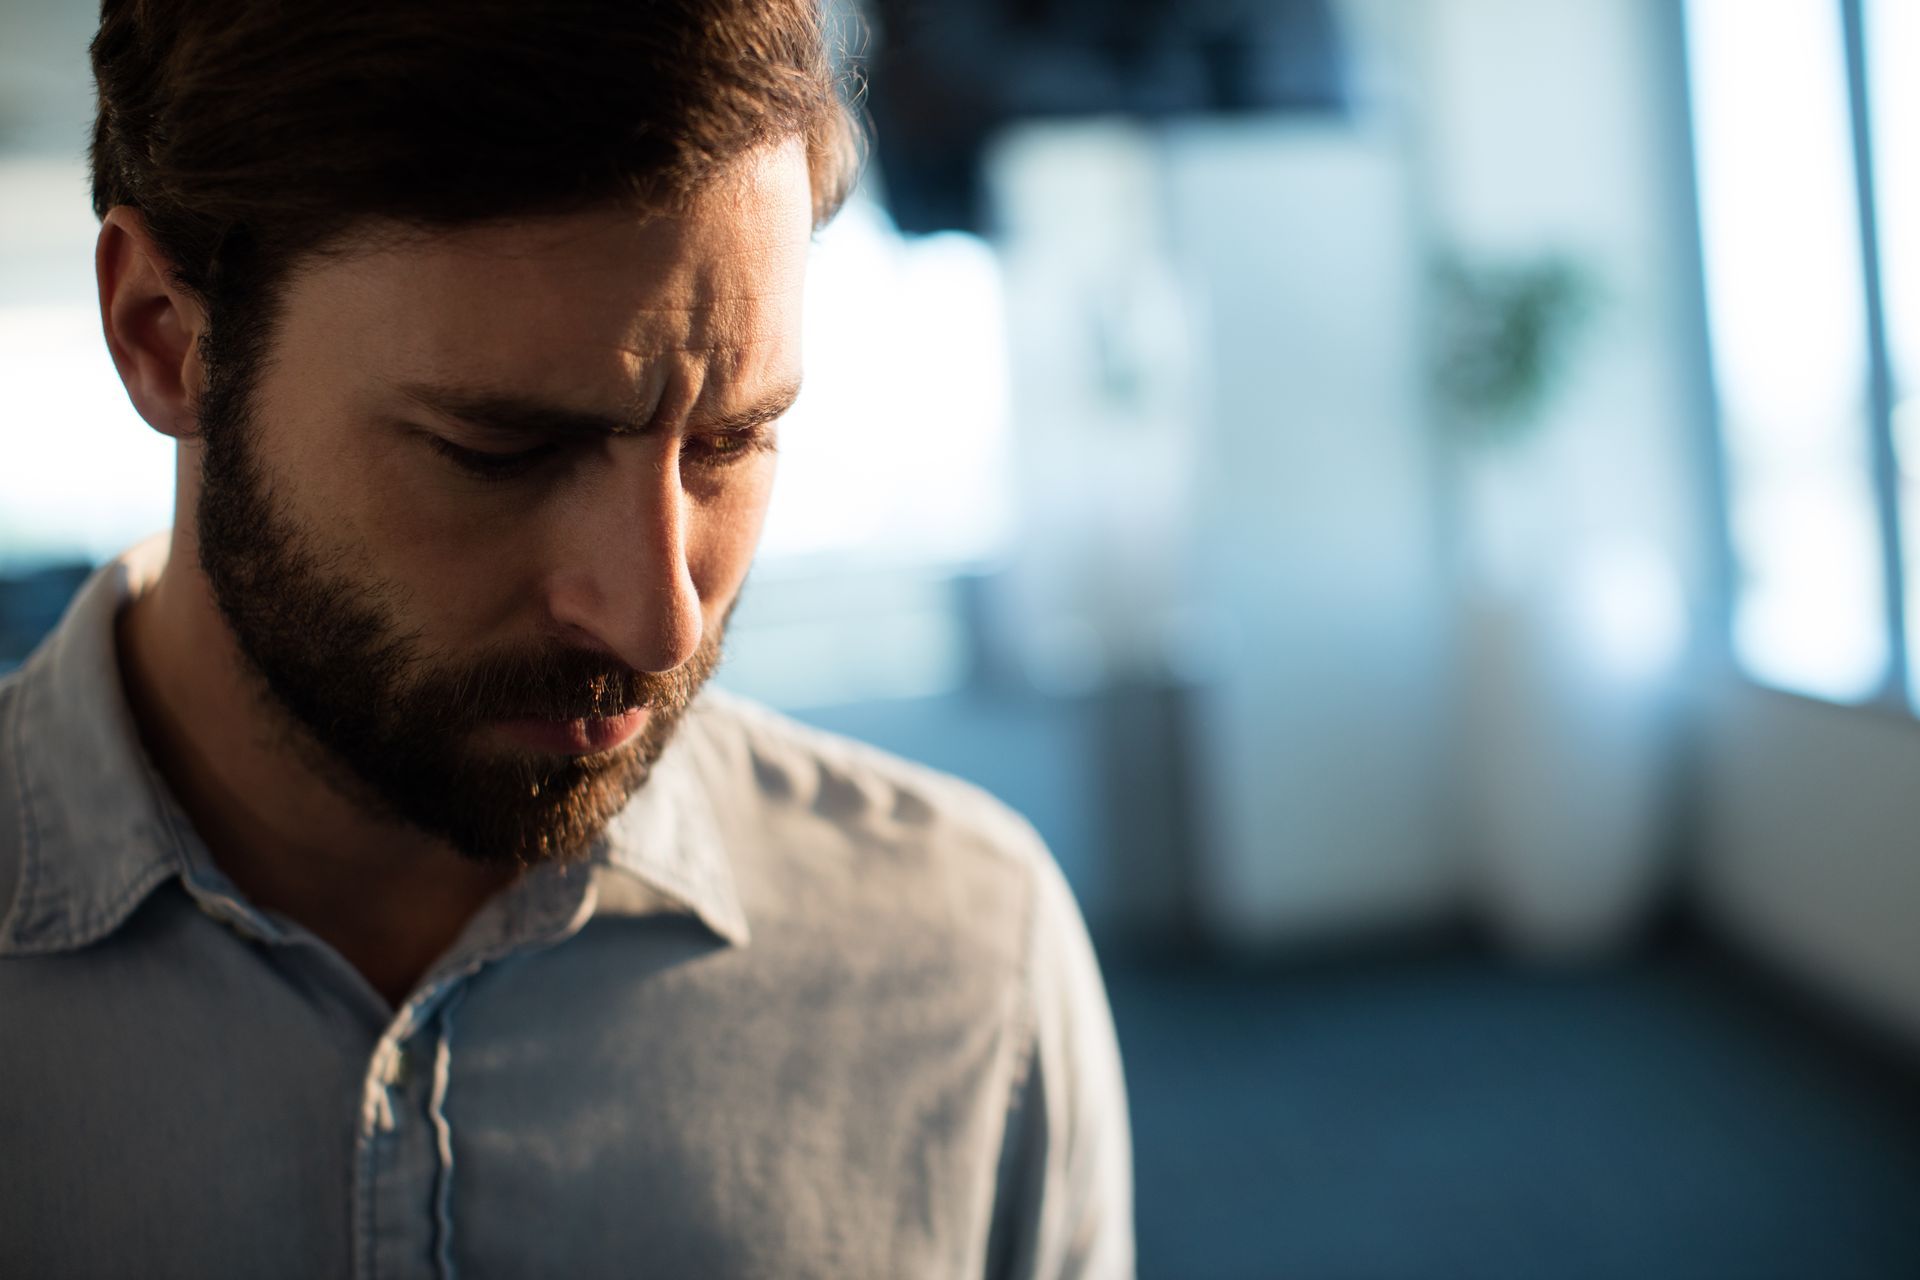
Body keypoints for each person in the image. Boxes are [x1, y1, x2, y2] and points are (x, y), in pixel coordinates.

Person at [0, 1, 1133, 1275]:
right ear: (163, 331)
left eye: (731, 440)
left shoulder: (960, 958)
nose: (659, 623)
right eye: (504, 452)